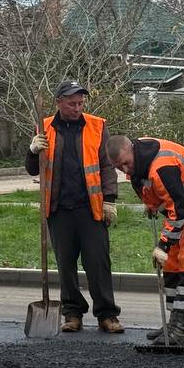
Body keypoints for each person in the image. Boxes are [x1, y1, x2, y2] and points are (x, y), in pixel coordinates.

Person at [25, 80, 123, 333]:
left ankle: (107, 315)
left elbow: (106, 165)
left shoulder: (98, 126)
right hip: (58, 210)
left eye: (80, 103)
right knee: (65, 265)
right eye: (71, 104)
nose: (77, 108)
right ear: (59, 102)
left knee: (98, 263)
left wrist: (109, 200)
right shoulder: (44, 127)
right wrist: (32, 149)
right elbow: (33, 170)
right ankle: (72, 314)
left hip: (90, 208)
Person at [106, 134, 184, 347]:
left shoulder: (161, 166)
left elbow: (179, 210)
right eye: (120, 168)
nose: (126, 171)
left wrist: (163, 245)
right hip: (180, 206)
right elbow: (151, 189)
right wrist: (152, 203)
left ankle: (181, 326)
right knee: (171, 263)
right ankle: (174, 322)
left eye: (126, 164)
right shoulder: (138, 160)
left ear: (131, 149)